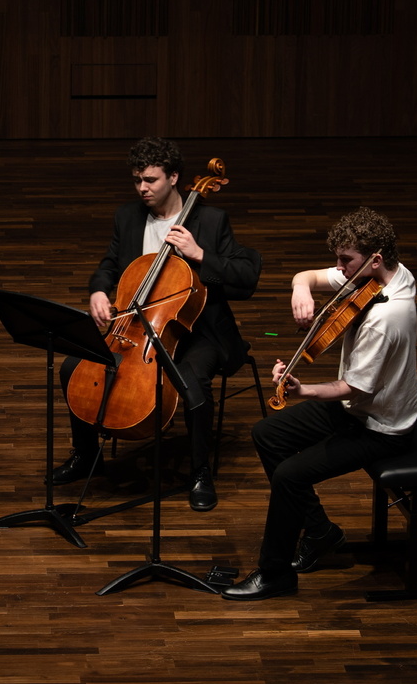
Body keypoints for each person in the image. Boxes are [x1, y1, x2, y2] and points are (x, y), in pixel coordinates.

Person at [52, 137, 262, 511]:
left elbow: (246, 278)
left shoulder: (211, 221)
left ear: (174, 177)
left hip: (196, 328)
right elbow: (110, 265)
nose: (142, 189)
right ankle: (88, 456)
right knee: (72, 366)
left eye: (150, 180)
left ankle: (200, 472)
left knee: (192, 381)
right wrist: (99, 291)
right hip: (136, 327)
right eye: (137, 181)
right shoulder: (128, 217)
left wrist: (200, 255)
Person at [221, 207, 417, 600]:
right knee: (267, 432)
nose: (339, 270)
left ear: (374, 259)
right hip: (358, 410)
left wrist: (302, 389)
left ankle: (275, 574)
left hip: (379, 426)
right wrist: (301, 289)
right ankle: (320, 532)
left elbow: (352, 389)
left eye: (346, 261)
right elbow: (307, 276)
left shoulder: (388, 317)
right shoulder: (379, 273)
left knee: (290, 475)